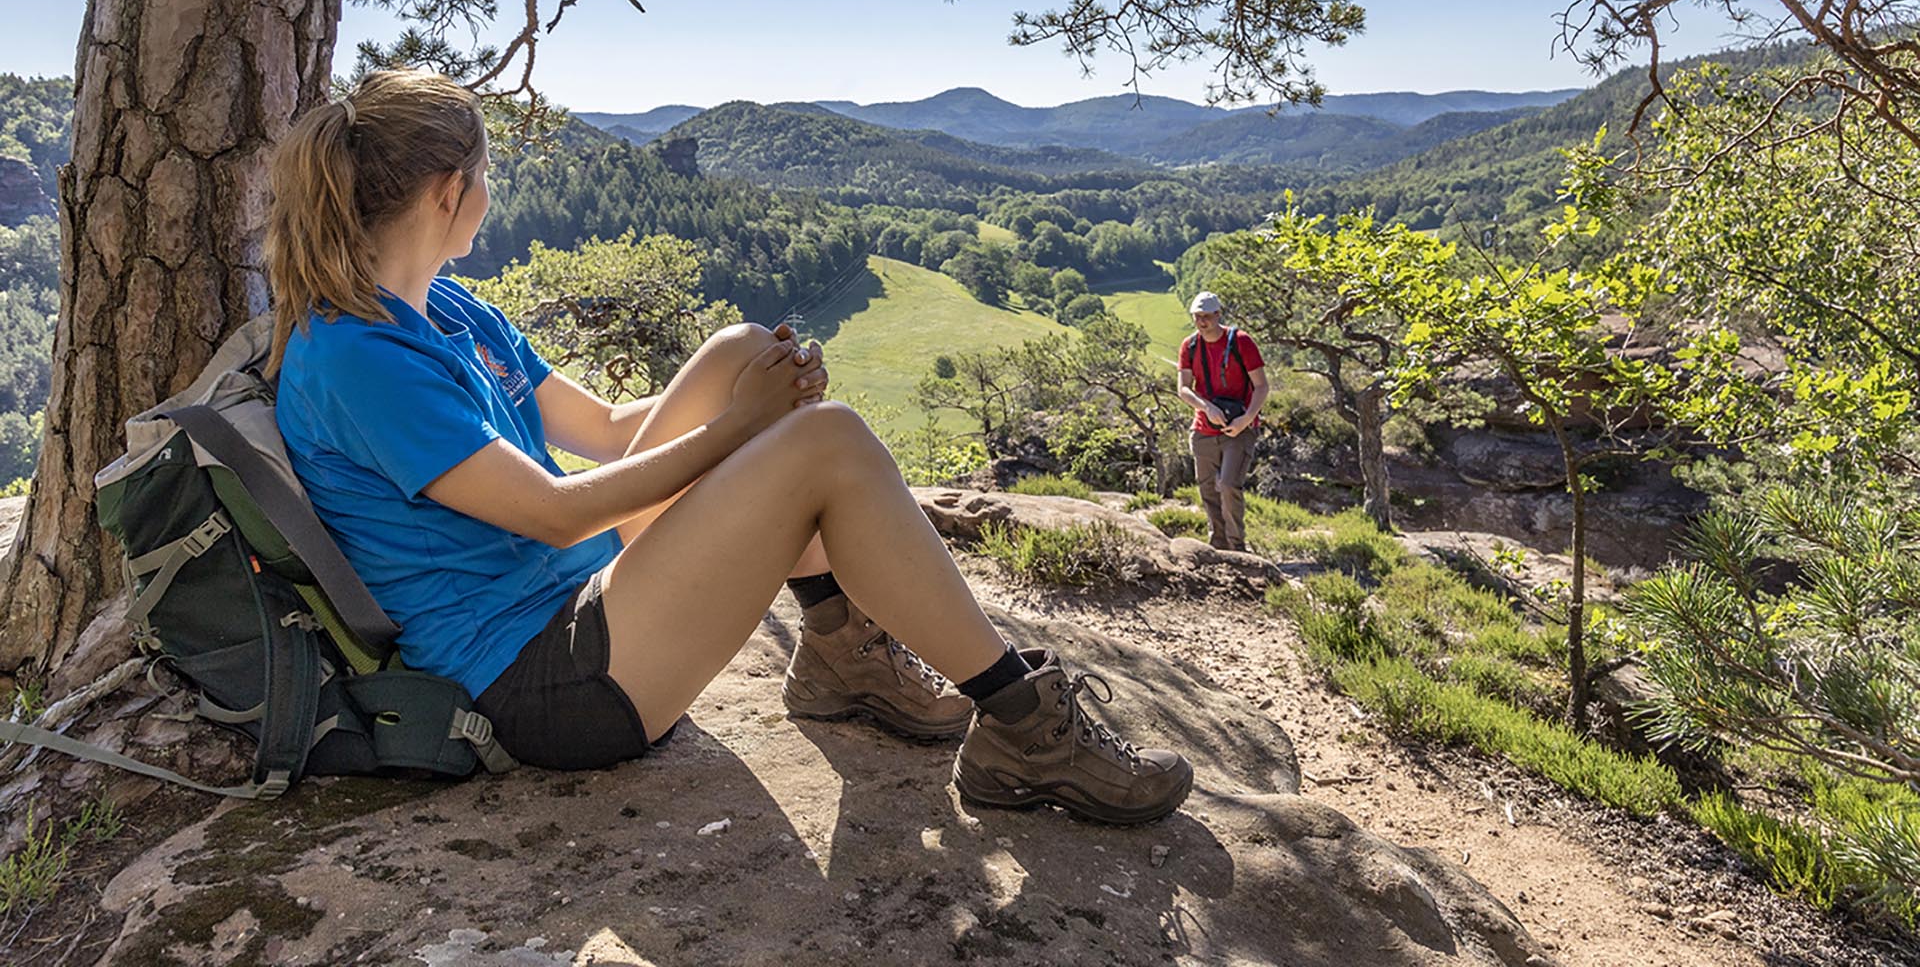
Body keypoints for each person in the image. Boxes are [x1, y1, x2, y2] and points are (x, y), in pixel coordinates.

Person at [264, 69, 1192, 824]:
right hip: (536, 680)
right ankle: (1025, 730)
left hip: (579, 601)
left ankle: (840, 652)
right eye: (486, 174)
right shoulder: (357, 355)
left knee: (745, 349)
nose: (493, 193)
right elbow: (553, 515)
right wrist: (743, 428)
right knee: (822, 444)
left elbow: (610, 431)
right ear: (447, 191)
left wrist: (752, 391)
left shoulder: (449, 309)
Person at [1176, 292, 1269, 553]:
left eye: (1206, 317)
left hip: (1240, 426)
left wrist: (1246, 420)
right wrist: (1206, 407)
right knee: (1208, 490)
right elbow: (1183, 389)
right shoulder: (1190, 346)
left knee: (1228, 485)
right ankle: (1217, 546)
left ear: (1219, 314)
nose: (1202, 322)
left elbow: (1261, 386)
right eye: (1197, 317)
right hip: (1204, 428)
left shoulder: (1241, 342)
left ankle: (1236, 547)